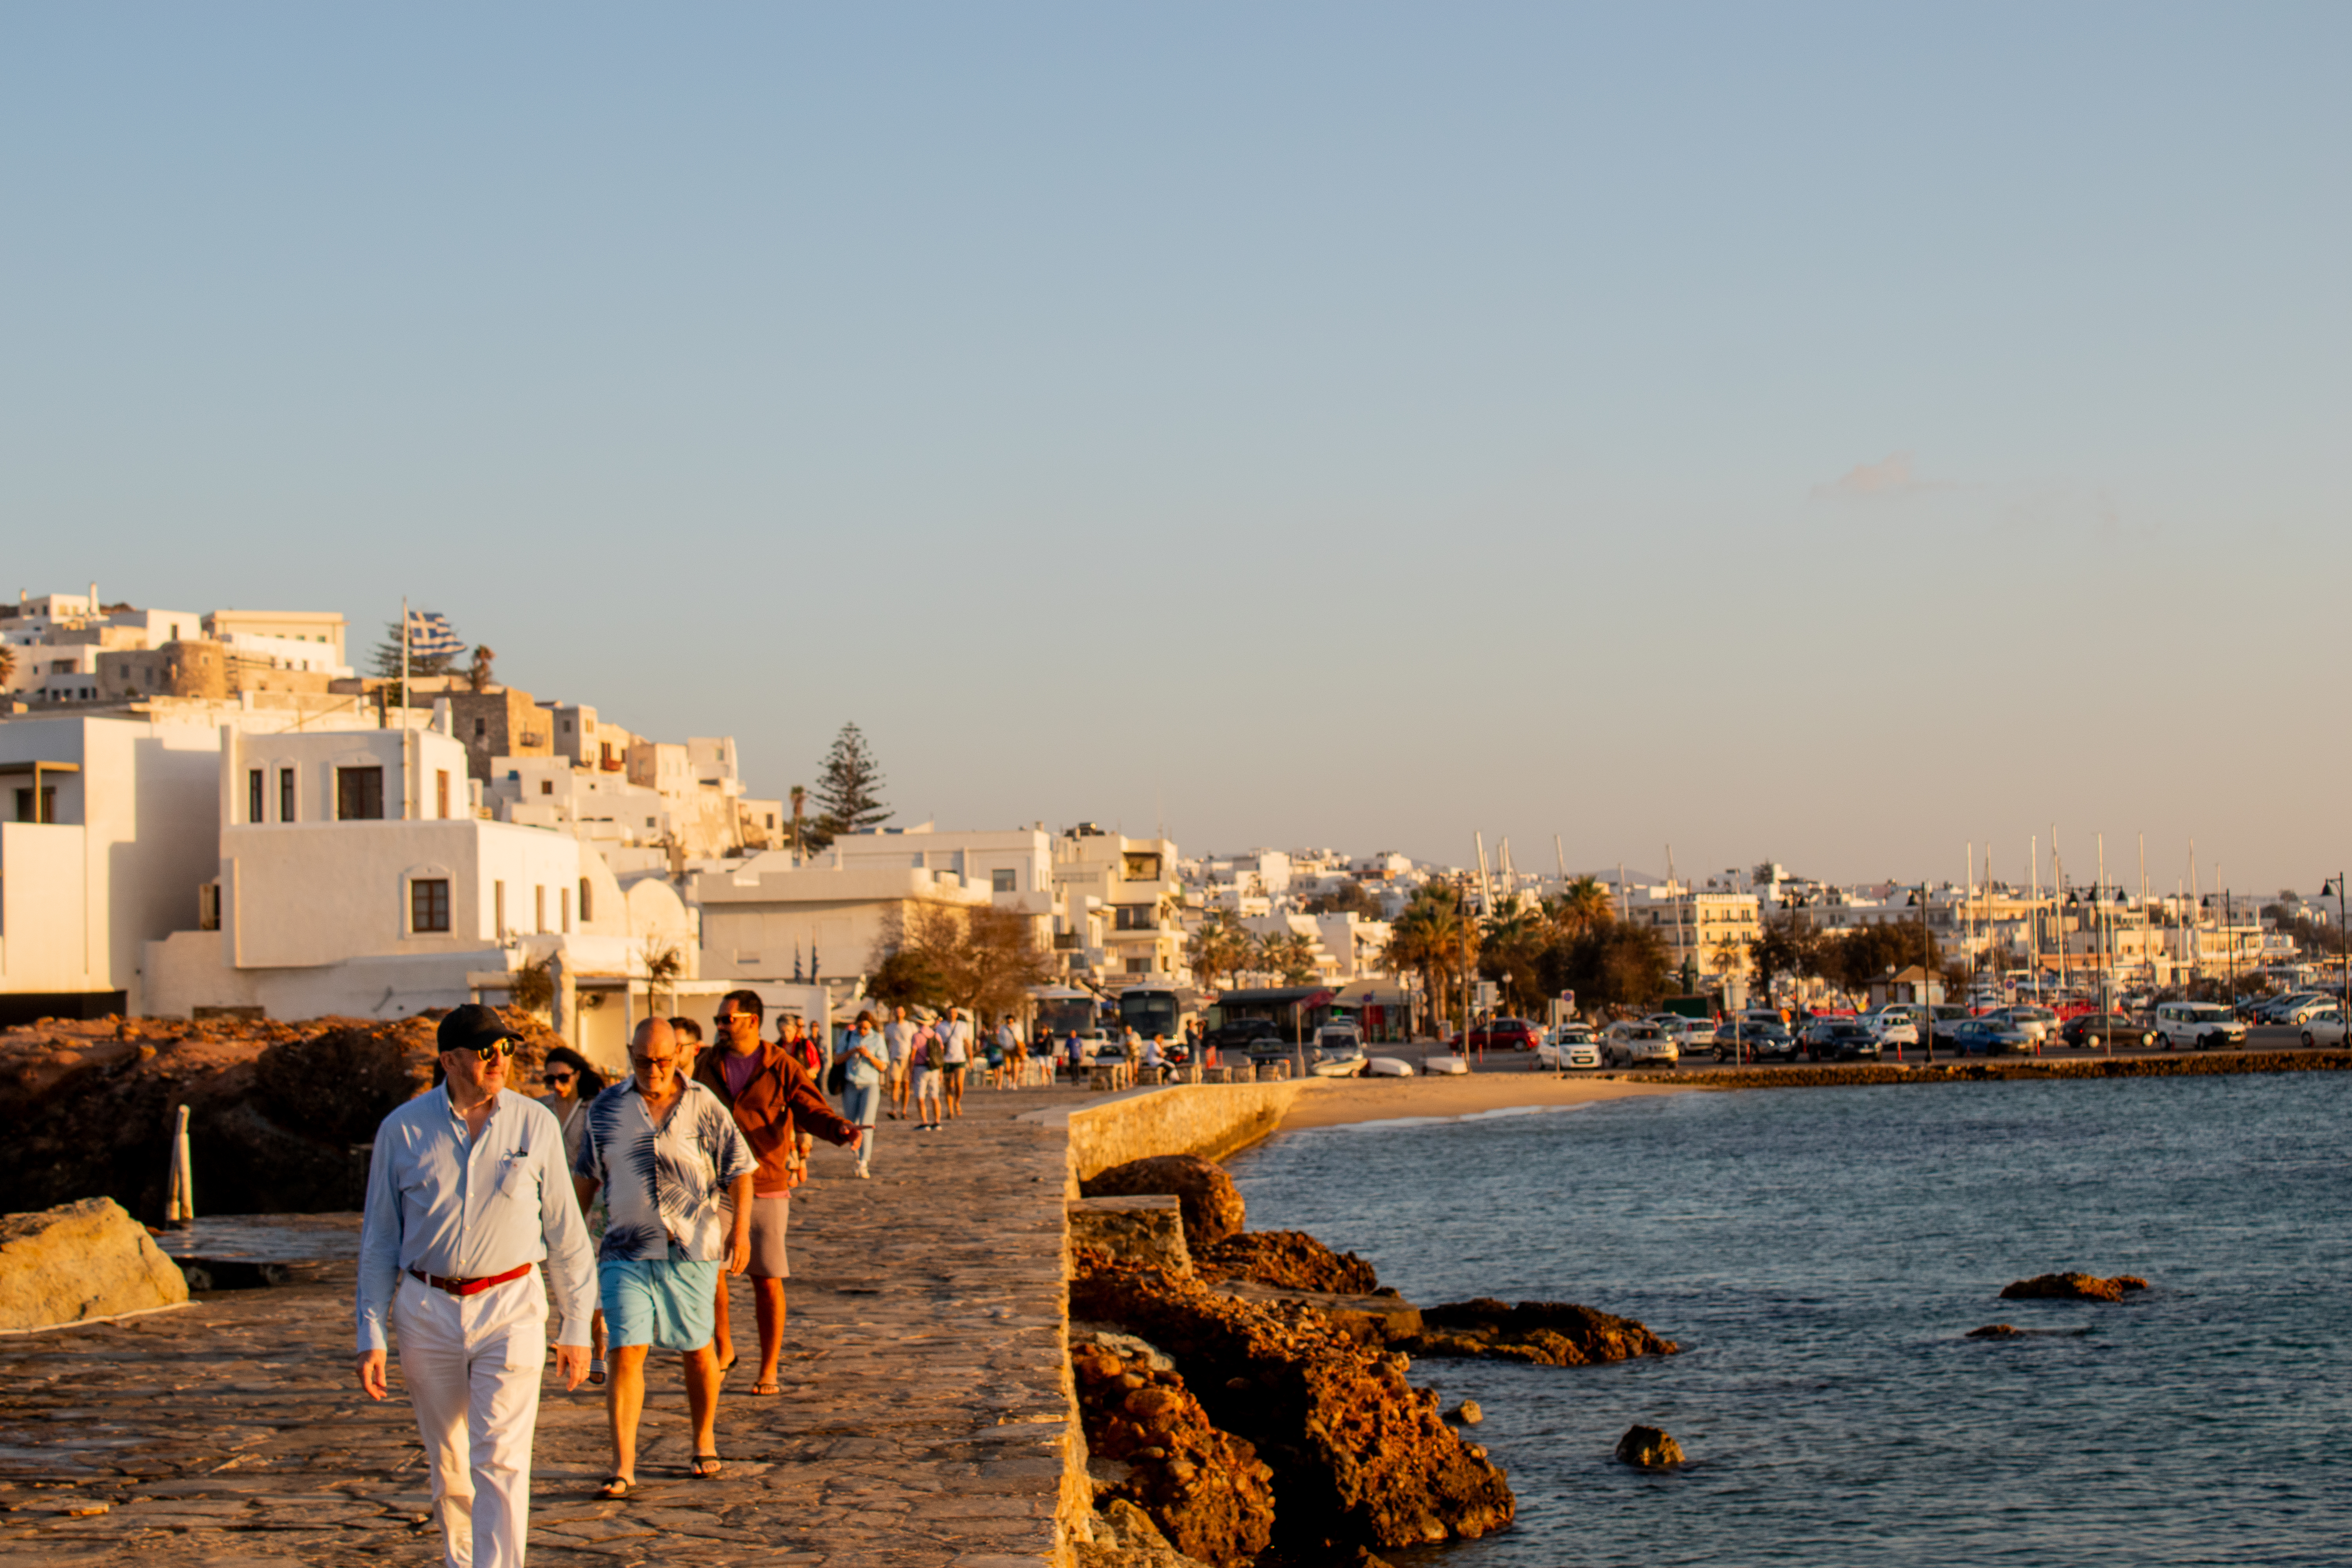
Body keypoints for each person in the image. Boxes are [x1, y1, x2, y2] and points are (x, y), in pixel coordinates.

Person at [357, 1005, 594, 1568]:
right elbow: (380, 1240)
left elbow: (566, 1231)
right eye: (486, 1051)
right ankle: (462, 1561)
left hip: (512, 1305)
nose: (499, 1060)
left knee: (503, 1457)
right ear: (450, 1060)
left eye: (506, 1049)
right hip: (427, 1308)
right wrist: (371, 1332)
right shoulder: (402, 1130)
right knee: (450, 1463)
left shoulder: (535, 1124)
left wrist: (577, 1324)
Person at [573, 1018, 754, 1495]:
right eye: (642, 1061)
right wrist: (568, 1239)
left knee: (697, 1348)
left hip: (691, 1248)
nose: (653, 1070)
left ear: (679, 1055)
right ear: (629, 1053)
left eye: (662, 1061)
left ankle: (703, 1439)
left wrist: (741, 1233)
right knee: (625, 1348)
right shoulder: (606, 1108)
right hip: (625, 1248)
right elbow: (587, 1176)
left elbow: (740, 1170)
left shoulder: (703, 1103)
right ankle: (623, 1465)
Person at [691, 990, 862, 1397]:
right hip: (716, 1184)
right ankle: (724, 1348)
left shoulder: (781, 1064)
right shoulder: (707, 1064)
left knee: (766, 1279)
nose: (721, 1026)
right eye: (718, 1020)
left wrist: (838, 1129)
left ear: (753, 1021)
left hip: (766, 1181)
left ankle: (769, 1367)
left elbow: (810, 1108)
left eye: (727, 1019)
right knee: (710, 1272)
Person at [536, 1046, 610, 1384]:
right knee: (562, 1268)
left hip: (593, 1200)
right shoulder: (541, 1109)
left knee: (591, 1273)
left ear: (578, 1075)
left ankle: (598, 1346)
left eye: (563, 1077)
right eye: (550, 1078)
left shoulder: (596, 1108)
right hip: (552, 1198)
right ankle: (575, 1332)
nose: (557, 1085)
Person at [838, 1011, 886, 1177]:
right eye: (860, 1028)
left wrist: (869, 1056)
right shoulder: (848, 1036)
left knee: (867, 1123)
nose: (862, 1031)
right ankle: (857, 1158)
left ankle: (864, 1162)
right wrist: (852, 1051)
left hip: (870, 1084)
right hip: (851, 1084)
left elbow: (883, 1066)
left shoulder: (877, 1039)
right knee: (852, 1124)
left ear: (871, 1027)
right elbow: (837, 1059)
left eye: (866, 1028)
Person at [912, 1015, 946, 1132]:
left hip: (920, 1068)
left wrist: (911, 1071)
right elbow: (941, 1053)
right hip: (935, 1069)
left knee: (920, 1097)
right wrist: (941, 1071)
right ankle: (937, 1122)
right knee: (935, 1096)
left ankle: (925, 1122)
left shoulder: (917, 1036)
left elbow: (913, 1055)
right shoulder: (936, 1035)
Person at [882, 1005, 916, 1119]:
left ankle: (904, 1111)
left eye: (901, 1012)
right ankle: (894, 1110)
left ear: (904, 1013)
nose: (898, 1014)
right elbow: (886, 1043)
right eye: (896, 1012)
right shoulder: (889, 1028)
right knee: (895, 1085)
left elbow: (915, 1042)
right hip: (895, 1058)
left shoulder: (911, 1026)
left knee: (906, 1085)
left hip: (908, 1058)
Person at [938, 1006, 971, 1119]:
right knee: (948, 1086)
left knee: (959, 1084)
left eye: (954, 1013)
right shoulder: (941, 1027)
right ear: (946, 1014)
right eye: (950, 1013)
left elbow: (966, 1042)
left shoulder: (963, 1026)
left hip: (960, 1059)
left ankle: (957, 1102)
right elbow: (938, 1044)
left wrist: (970, 1058)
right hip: (946, 1060)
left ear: (957, 1014)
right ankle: (950, 1110)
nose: (952, 1015)